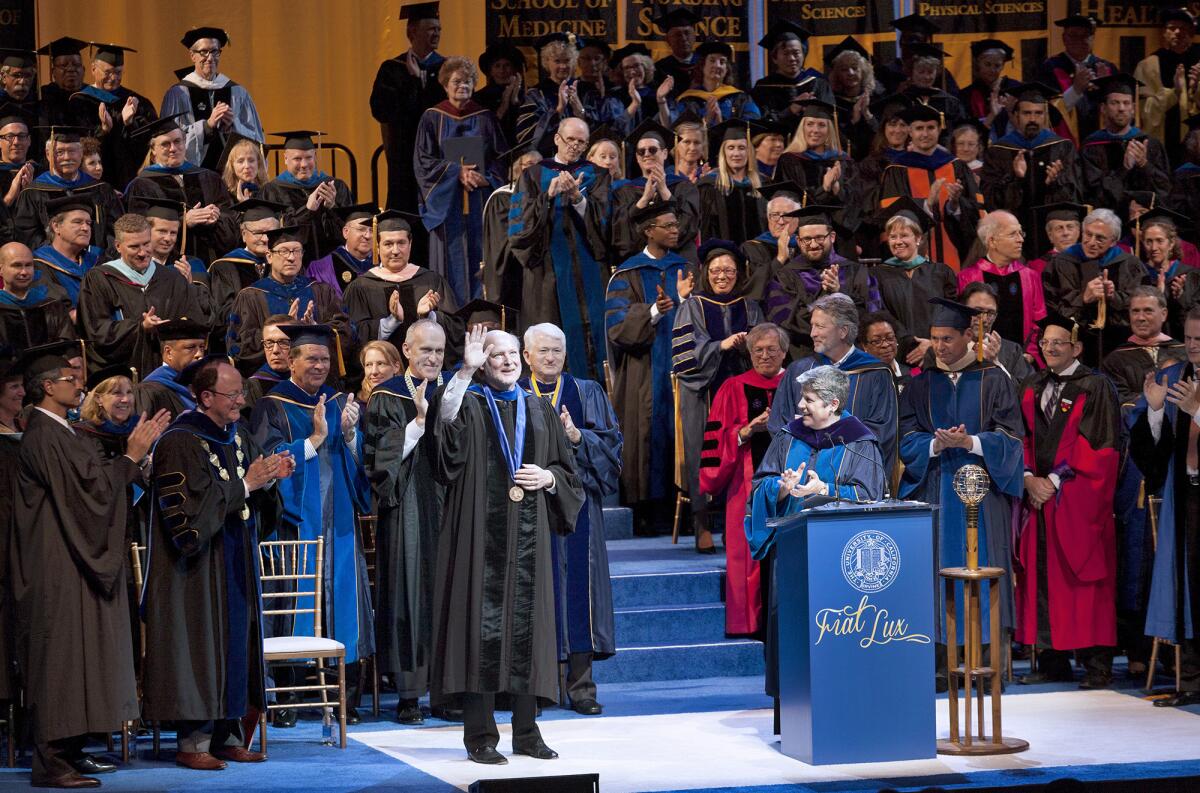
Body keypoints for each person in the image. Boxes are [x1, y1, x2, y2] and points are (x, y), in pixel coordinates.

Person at [9, 340, 168, 787]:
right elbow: (87, 497)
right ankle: (51, 760)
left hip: (72, 558)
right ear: (45, 387)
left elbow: (94, 485)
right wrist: (132, 457)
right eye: (69, 379)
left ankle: (71, 749)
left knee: (81, 656)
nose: (77, 384)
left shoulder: (63, 429)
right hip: (55, 563)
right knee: (59, 658)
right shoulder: (43, 433)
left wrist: (129, 460)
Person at [428, 325, 584, 764]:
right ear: (484, 361)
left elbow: (567, 471)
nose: (509, 360)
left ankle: (527, 733)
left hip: (530, 541)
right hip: (479, 537)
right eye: (497, 354)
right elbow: (442, 431)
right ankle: (480, 737)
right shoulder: (470, 403)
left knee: (529, 636)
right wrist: (463, 371)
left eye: (514, 352)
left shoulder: (538, 409)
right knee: (480, 631)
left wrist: (549, 479)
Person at [143, 359, 291, 770]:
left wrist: (272, 478)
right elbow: (185, 518)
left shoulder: (239, 435)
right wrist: (247, 484)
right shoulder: (179, 441)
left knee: (236, 645)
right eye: (233, 395)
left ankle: (228, 735)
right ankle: (193, 743)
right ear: (205, 397)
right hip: (196, 570)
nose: (242, 402)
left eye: (242, 392)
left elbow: (254, 493)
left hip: (236, 560)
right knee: (201, 648)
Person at [249, 323, 374, 723]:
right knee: (294, 601)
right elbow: (266, 463)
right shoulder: (272, 406)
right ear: (291, 360)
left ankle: (344, 700)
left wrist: (352, 434)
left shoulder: (340, 402)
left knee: (345, 603)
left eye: (324, 358)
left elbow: (361, 463)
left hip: (339, 522)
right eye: (312, 358)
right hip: (295, 525)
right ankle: (287, 698)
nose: (320, 365)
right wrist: (314, 441)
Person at [747, 365, 886, 710]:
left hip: (838, 560)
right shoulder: (788, 437)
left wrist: (826, 489)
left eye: (809, 400)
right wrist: (780, 489)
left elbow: (873, 496)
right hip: (793, 553)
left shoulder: (858, 443)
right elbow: (759, 486)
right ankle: (791, 711)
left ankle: (841, 709)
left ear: (833, 403)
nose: (800, 408)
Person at [898, 298, 1024, 677]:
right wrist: (936, 444)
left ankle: (987, 663)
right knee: (936, 571)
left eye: (948, 338)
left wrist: (970, 443)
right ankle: (940, 663)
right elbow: (905, 438)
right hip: (934, 488)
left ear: (969, 336)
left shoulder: (994, 379)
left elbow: (1013, 437)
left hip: (983, 492)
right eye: (935, 339)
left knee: (984, 565)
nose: (940, 346)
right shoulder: (921, 385)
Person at [520, 322, 621, 715]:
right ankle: (539, 688)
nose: (550, 358)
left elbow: (612, 447)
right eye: (543, 351)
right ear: (527, 355)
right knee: (537, 590)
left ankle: (581, 687)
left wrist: (578, 437)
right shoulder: (513, 392)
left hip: (579, 506)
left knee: (583, 592)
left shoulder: (586, 392)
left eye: (557, 351)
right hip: (529, 506)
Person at [1016, 312, 1119, 688]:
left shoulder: (1096, 386)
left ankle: (1096, 665)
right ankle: (1052, 661)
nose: (1051, 348)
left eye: (1059, 342)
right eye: (1045, 342)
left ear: (1076, 346)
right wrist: (1029, 478)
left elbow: (1100, 446)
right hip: (1038, 498)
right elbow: (1021, 437)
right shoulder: (1031, 384)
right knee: (1041, 575)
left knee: (1084, 576)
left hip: (1076, 498)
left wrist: (1055, 482)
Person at [362, 320, 449, 725]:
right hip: (408, 507)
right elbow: (377, 457)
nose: (432, 358)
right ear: (408, 352)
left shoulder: (457, 393)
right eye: (425, 350)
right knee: (410, 593)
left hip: (451, 506)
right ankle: (410, 694)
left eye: (439, 351)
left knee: (451, 594)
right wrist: (416, 425)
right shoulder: (387, 395)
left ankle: (451, 689)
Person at [1127, 304, 1200, 706]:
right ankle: (1189, 680)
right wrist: (1155, 410)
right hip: (1184, 493)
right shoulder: (1176, 377)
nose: (1192, 347)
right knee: (1185, 587)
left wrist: (1196, 411)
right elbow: (1149, 452)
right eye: (1188, 338)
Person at [605, 201, 691, 534]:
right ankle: (647, 515)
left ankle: (686, 508)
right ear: (648, 230)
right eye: (668, 225)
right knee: (647, 438)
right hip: (643, 373)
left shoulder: (686, 268)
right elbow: (616, 329)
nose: (675, 230)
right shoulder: (626, 274)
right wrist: (653, 311)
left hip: (685, 370)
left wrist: (683, 303)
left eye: (676, 224)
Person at [672, 240, 762, 552]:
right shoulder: (692, 306)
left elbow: (767, 349)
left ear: (739, 274)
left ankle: (735, 520)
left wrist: (749, 346)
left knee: (742, 451)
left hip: (742, 390)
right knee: (704, 450)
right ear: (706, 273)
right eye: (716, 270)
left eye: (729, 270)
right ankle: (701, 523)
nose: (722, 276)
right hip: (702, 392)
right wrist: (720, 346)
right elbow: (683, 357)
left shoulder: (751, 307)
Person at [699, 322, 787, 635]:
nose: (765, 356)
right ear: (749, 354)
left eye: (771, 350)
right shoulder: (733, 387)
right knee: (748, 555)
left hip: (793, 488)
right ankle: (751, 623)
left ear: (784, 352)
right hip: (745, 488)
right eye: (757, 350)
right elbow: (715, 443)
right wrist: (746, 431)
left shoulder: (798, 385)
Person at [508, 117, 611, 383]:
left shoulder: (597, 175)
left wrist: (578, 199)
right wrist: (547, 199)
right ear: (556, 139)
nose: (575, 146)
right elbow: (518, 231)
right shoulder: (532, 176)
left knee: (592, 344)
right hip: (548, 280)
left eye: (581, 142)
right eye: (570, 140)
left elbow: (608, 228)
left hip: (589, 279)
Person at [768, 292, 898, 473]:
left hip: (852, 476)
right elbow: (779, 426)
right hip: (804, 473)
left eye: (820, 326)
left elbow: (881, 431)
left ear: (843, 331)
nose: (812, 333)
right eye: (812, 326)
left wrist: (830, 447)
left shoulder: (875, 373)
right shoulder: (798, 371)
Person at [414, 56, 507, 304]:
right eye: (456, 81)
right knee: (449, 257)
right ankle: (449, 314)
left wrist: (487, 179)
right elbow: (423, 161)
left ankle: (482, 313)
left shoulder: (485, 118)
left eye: (467, 81)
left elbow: (501, 158)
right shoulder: (432, 117)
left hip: (479, 200)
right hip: (448, 204)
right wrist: (457, 172)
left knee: (480, 253)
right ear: (445, 84)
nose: (462, 86)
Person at [78, 213, 209, 377]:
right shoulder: (100, 278)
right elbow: (96, 329)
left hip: (169, 374)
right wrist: (140, 327)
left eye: (147, 244)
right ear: (118, 246)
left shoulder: (172, 278)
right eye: (134, 247)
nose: (143, 252)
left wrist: (170, 329)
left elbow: (193, 321)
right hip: (123, 374)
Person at [227, 226, 351, 375]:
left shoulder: (322, 290)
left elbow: (346, 333)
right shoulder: (250, 295)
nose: (291, 258)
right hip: (270, 382)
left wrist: (315, 328)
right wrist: (282, 332)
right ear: (269, 256)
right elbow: (238, 346)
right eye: (283, 251)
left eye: (296, 251)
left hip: (317, 377)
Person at [979, 83, 1083, 256]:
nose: (1033, 119)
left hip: (1051, 239)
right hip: (1013, 238)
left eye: (1038, 113)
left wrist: (1055, 182)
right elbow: (991, 201)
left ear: (1045, 116)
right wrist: (1016, 179)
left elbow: (1075, 198)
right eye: (1027, 113)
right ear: (1016, 116)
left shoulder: (1063, 148)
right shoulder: (999, 151)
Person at [124, 114, 241, 265]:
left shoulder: (209, 177)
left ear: (185, 142)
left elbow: (231, 220)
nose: (173, 148)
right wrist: (183, 222)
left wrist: (216, 218)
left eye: (177, 141)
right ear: (153, 150)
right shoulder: (141, 185)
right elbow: (138, 229)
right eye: (165, 144)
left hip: (209, 264)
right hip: (166, 266)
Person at [763, 204, 874, 359]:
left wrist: (839, 294)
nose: (813, 244)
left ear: (832, 237)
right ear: (799, 241)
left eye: (819, 237)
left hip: (850, 356)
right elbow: (784, 321)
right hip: (806, 358)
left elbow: (871, 315)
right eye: (807, 239)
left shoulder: (855, 271)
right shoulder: (784, 276)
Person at [881, 103, 980, 271]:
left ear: (939, 130)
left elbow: (977, 212)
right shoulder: (897, 170)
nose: (925, 134)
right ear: (910, 132)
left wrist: (955, 204)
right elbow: (893, 216)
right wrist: (926, 204)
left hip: (956, 253)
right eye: (919, 128)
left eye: (930, 128)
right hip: (915, 259)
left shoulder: (957, 166)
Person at [371, 1, 447, 221]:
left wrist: (419, 83)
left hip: (438, 160)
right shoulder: (392, 69)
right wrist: (412, 82)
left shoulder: (447, 68)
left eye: (439, 29)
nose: (437, 34)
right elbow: (380, 111)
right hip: (403, 162)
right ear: (412, 31)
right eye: (431, 28)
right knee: (404, 219)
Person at [1043, 207, 1146, 365]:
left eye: (1100, 238)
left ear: (1113, 241)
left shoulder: (1129, 265)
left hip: (1119, 350)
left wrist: (1113, 297)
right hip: (1076, 350)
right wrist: (1084, 299)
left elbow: (1139, 312)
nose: (1091, 242)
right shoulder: (1061, 263)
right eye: (1088, 234)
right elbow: (1052, 310)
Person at [342, 210, 454, 352]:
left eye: (401, 243)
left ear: (410, 244)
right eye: (388, 244)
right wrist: (391, 322)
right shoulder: (361, 287)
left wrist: (429, 317)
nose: (395, 250)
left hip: (425, 370)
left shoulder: (431, 281)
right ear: (377, 246)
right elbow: (352, 336)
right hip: (381, 371)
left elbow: (455, 330)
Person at [160, 27, 264, 171]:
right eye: (203, 52)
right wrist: (207, 126)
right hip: (193, 176)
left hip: (232, 177)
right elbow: (168, 139)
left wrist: (233, 126)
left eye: (215, 51)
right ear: (192, 56)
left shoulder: (237, 92)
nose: (210, 57)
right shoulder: (178, 94)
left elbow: (256, 136)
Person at [870, 197, 957, 367]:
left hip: (938, 352)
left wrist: (932, 343)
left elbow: (951, 314)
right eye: (893, 236)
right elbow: (880, 313)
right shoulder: (877, 275)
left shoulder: (940, 272)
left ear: (918, 238)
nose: (898, 241)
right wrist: (910, 343)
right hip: (897, 353)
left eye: (904, 235)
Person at [14, 125, 124, 252]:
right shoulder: (33, 193)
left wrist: (102, 258)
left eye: (72, 151)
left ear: (81, 153)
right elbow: (28, 237)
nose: (67, 157)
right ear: (48, 154)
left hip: (99, 264)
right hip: (51, 265)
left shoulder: (101, 189)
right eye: (59, 152)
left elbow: (116, 230)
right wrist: (60, 256)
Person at [514, 33, 626, 156]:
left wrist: (581, 112)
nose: (563, 66)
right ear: (546, 62)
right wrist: (558, 111)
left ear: (574, 61)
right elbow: (528, 137)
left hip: (585, 161)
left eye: (567, 60)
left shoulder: (588, 91)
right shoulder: (536, 94)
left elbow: (604, 134)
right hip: (549, 161)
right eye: (557, 61)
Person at [66, 43, 158, 190]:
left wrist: (129, 123)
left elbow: (151, 143)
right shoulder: (80, 102)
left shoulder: (137, 103)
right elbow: (78, 145)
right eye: (108, 72)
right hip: (96, 179)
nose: (114, 78)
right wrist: (104, 130)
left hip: (130, 176)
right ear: (93, 69)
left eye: (118, 72)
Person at [609, 119, 701, 265]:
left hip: (679, 263)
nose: (646, 154)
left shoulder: (684, 187)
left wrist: (664, 191)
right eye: (641, 151)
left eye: (652, 150)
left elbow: (687, 227)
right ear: (637, 158)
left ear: (664, 153)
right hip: (641, 264)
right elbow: (623, 237)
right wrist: (643, 200)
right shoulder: (624, 192)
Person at [958, 210, 1048, 357]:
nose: (1021, 240)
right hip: (979, 358)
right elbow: (963, 322)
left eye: (1021, 233)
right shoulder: (968, 277)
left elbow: (1038, 321)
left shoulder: (1030, 276)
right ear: (992, 241)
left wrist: (1030, 353)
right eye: (1013, 234)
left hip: (1022, 360)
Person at [1080, 73, 1171, 212]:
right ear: (1103, 108)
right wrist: (1124, 169)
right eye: (1115, 103)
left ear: (1133, 108)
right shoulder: (1092, 146)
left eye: (1126, 103)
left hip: (1145, 218)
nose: (1121, 108)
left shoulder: (1150, 144)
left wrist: (1144, 164)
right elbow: (1094, 195)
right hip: (1108, 218)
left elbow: (1165, 189)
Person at [260, 131, 355, 262]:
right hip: (292, 263)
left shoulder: (335, 187)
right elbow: (276, 235)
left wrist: (332, 208)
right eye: (297, 159)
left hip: (332, 264)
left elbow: (349, 233)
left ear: (315, 156)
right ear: (285, 158)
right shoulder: (271, 191)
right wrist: (307, 210)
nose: (304, 164)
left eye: (308, 157)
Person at [208, 198, 285, 336]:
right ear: (244, 234)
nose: (265, 239)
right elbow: (223, 312)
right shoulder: (225, 266)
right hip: (243, 339)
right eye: (258, 233)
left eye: (271, 233)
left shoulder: (286, 264)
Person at [1035, 14, 1115, 142]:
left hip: (1102, 145)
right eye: (1073, 35)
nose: (1079, 40)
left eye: (1085, 35)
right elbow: (1046, 113)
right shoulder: (1050, 68)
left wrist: (1107, 90)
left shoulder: (1107, 68)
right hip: (1065, 145)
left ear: (1092, 38)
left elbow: (1119, 112)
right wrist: (1076, 90)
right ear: (1064, 39)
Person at [1135, 8, 1200, 164]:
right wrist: (1174, 93)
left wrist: (1197, 88)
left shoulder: (1198, 64)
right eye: (1172, 28)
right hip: (1160, 147)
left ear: (1191, 33)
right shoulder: (1148, 66)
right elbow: (1143, 113)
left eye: (1184, 28)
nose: (1178, 32)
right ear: (1163, 33)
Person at [482, 144, 539, 311]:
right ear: (515, 169)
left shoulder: (546, 196)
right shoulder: (503, 198)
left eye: (539, 165)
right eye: (529, 164)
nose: (535, 169)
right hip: (515, 274)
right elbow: (501, 246)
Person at [697, 121, 767, 245]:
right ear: (724, 152)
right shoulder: (710, 186)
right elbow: (706, 229)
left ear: (749, 152)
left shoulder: (764, 184)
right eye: (731, 148)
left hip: (759, 257)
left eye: (741, 148)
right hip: (724, 258)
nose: (736, 154)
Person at [956, 281, 1035, 389]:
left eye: (990, 313)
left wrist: (995, 363)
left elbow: (1024, 392)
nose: (984, 320)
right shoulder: (946, 348)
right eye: (977, 311)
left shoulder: (1012, 351)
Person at [750, 20, 833, 123]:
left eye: (796, 53)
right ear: (775, 58)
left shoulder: (819, 84)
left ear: (804, 55)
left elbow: (830, 120)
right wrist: (791, 110)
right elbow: (760, 124)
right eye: (785, 54)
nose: (792, 58)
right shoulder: (762, 88)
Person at [30, 194, 103, 308]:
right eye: (77, 222)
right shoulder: (38, 265)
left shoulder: (97, 261)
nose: (86, 228)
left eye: (88, 223)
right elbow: (57, 310)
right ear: (56, 226)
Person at [0, 240, 74, 354]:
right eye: (17, 265)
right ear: (1, 269)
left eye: (29, 265)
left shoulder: (51, 306)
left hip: (52, 369)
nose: (24, 272)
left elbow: (68, 347)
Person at [672, 41, 761, 125]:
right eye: (712, 60)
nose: (717, 65)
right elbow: (681, 130)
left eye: (722, 62)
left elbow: (753, 122)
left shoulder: (740, 98)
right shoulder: (688, 100)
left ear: (727, 69)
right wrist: (706, 121)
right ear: (702, 65)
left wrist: (721, 123)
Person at [133, 317, 208, 416]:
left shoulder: (206, 385)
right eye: (190, 347)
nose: (199, 354)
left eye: (201, 347)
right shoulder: (151, 391)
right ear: (169, 352)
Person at [740, 183, 801, 300]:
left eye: (787, 215)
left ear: (797, 219)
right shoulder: (752, 248)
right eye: (775, 215)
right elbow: (752, 287)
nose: (781, 221)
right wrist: (780, 259)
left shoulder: (805, 246)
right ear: (768, 218)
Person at [305, 203, 377, 301]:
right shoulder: (320, 269)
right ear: (346, 232)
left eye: (372, 231)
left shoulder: (383, 265)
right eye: (361, 229)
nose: (368, 236)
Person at [825, 36, 878, 160]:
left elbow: (885, 138)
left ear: (863, 71)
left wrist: (868, 115)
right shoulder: (832, 103)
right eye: (844, 69)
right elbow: (834, 142)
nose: (850, 73)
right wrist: (853, 121)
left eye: (855, 68)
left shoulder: (877, 99)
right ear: (837, 74)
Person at [958, 39, 1018, 129]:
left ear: (1003, 66)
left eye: (997, 66)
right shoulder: (966, 95)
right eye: (987, 64)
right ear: (978, 63)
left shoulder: (1015, 89)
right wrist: (992, 115)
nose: (992, 70)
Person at [473, 42, 525, 146]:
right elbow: (483, 130)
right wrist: (504, 105)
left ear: (514, 69)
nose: (502, 70)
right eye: (497, 66)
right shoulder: (479, 98)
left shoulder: (526, 95)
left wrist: (515, 100)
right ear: (491, 71)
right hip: (492, 149)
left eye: (507, 65)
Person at [244, 314, 293, 417]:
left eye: (283, 342)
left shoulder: (310, 382)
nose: (275, 350)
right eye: (269, 343)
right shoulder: (253, 386)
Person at [652, 8, 700, 101]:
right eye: (677, 35)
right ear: (667, 40)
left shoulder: (706, 65)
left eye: (687, 33)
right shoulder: (659, 69)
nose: (683, 39)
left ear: (694, 37)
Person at [1027, 201, 1086, 274]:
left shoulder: (1089, 262)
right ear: (1050, 236)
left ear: (1078, 232)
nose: (1065, 233)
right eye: (1059, 228)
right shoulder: (1037, 267)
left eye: (1070, 227)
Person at [861, 312, 911, 392]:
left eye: (890, 338)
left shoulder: (913, 373)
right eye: (877, 341)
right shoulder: (859, 380)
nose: (885, 344)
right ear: (865, 346)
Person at [220, 133, 268, 202]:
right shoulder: (224, 195)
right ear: (232, 166)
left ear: (258, 163)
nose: (247, 166)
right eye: (240, 161)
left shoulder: (268, 192)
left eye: (251, 160)